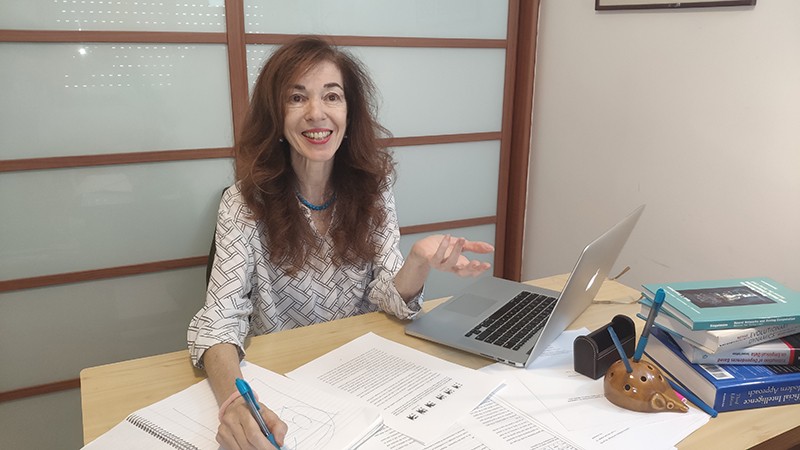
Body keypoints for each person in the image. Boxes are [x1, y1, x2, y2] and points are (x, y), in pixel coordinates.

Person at [187, 35, 494, 450]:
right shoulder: (244, 202)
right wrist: (232, 404)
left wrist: (419, 260)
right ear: (276, 115)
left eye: (332, 96)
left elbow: (388, 292)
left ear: (349, 111)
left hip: (367, 380)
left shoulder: (373, 187)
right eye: (297, 98)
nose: (317, 114)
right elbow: (219, 320)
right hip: (284, 384)